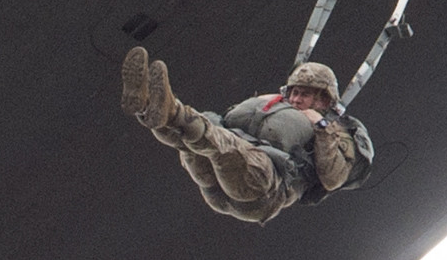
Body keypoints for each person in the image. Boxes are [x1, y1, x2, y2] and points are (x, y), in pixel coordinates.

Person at [121, 47, 365, 223]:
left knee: (222, 147)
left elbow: (333, 178)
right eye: (295, 92)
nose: (296, 99)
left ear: (323, 99)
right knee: (190, 146)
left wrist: (322, 127)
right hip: (217, 189)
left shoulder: (335, 131)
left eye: (305, 95)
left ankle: (172, 110)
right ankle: (146, 108)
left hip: (264, 189)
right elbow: (229, 122)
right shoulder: (274, 103)